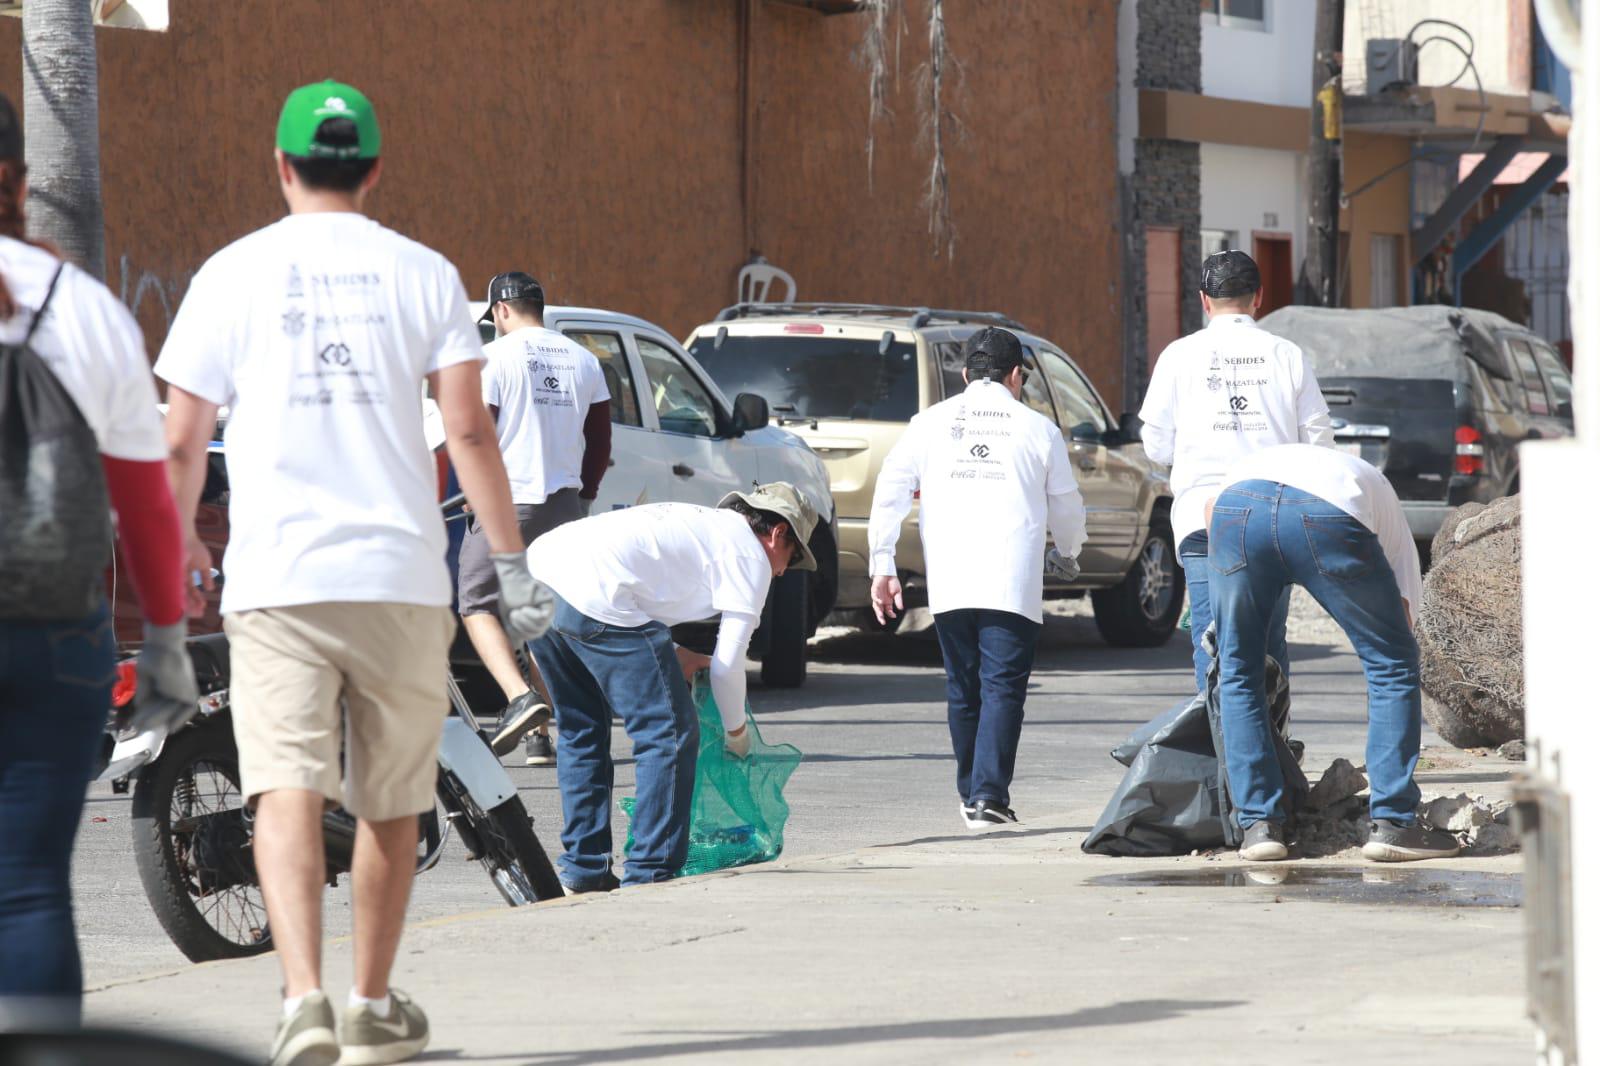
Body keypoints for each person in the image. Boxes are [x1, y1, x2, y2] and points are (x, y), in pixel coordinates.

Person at [157, 81, 551, 1066]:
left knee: (283, 787)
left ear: (281, 166)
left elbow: (179, 445)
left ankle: (302, 1002)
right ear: (374, 169)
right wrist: (511, 566)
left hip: (276, 576)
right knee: (391, 797)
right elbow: (466, 430)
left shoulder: (230, 274)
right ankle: (371, 1001)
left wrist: (182, 556)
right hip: (400, 578)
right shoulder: (423, 275)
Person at [0, 92, 196, 1031]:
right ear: (19, 184)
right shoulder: (81, 308)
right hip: (52, 637)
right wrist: (164, 639)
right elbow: (145, 502)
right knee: (29, 892)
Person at [526, 484, 818, 890]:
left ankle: (584, 867)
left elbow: (641, 602)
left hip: (538, 578)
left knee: (581, 730)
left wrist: (683, 655)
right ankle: (650, 871)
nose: (784, 570)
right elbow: (728, 668)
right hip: (595, 593)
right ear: (777, 533)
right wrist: (737, 734)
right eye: (790, 556)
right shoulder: (750, 556)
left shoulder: (703, 526)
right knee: (669, 733)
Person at [868, 327, 1087, 829]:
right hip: (1011, 577)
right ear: (1017, 376)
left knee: (963, 686)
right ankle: (988, 796)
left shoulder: (927, 423)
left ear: (966, 374)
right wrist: (1068, 550)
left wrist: (883, 563)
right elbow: (1067, 506)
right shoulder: (1038, 428)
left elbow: (891, 489)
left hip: (950, 577)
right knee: (1003, 686)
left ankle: (972, 794)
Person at [1207, 443, 1458, 863]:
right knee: (1391, 664)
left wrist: (1225, 620)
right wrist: (1399, 644)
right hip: (1328, 513)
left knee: (1238, 668)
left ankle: (1258, 826)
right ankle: (1395, 824)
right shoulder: (1374, 487)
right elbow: (1404, 606)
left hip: (1235, 511)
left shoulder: (1249, 465)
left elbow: (1210, 512)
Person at [1138, 250, 1334, 692]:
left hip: (1201, 519)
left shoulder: (1178, 356)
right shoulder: (1286, 354)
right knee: (1268, 640)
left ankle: (1225, 754)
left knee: (1214, 646)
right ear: (1258, 297)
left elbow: (1155, 444)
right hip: (1273, 518)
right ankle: (1272, 750)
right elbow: (1321, 441)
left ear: (1204, 300)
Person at [461, 271, 611, 767]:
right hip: (563, 504)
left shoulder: (495, 357)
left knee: (477, 604)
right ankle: (542, 738)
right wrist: (584, 494)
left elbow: (477, 432)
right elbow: (600, 440)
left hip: (505, 500)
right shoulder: (584, 360)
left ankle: (519, 698)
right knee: (538, 613)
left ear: (501, 310)